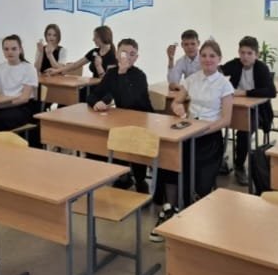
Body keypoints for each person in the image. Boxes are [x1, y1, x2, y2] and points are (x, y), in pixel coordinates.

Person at [150, 40, 233, 242]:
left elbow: (226, 120)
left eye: (212, 56)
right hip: (188, 133)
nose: (207, 59)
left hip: (209, 137)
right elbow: (177, 101)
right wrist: (177, 107)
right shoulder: (192, 79)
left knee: (200, 182)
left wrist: (202, 131)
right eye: (204, 55)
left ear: (219, 59)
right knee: (170, 163)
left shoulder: (224, 84)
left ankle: (194, 218)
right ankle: (170, 208)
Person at [87, 38, 153, 193]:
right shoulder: (111, 73)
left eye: (132, 54)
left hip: (142, 119)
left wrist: (122, 73)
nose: (127, 57)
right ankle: (123, 176)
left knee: (133, 139)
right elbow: (93, 95)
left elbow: (129, 101)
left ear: (136, 58)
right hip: (121, 119)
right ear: (117, 54)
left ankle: (140, 180)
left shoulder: (139, 76)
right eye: (124, 53)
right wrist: (97, 102)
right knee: (103, 137)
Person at [221, 36, 277, 185]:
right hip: (234, 108)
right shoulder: (235, 64)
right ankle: (219, 160)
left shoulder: (261, 68)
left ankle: (239, 165)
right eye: (242, 52)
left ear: (256, 55)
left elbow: (271, 92)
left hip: (257, 110)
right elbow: (219, 70)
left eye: (249, 53)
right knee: (211, 122)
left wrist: (244, 93)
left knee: (245, 130)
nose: (245, 56)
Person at [0, 34, 40, 147]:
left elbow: (24, 98)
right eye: (6, 49)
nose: (10, 52)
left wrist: (1, 105)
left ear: (20, 50)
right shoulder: (0, 67)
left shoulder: (29, 68)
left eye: (13, 49)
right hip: (4, 105)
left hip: (23, 107)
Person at [46, 25, 116, 80]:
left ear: (103, 37)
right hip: (93, 86)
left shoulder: (113, 56)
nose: (93, 39)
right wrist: (57, 71)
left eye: (95, 37)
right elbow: (75, 65)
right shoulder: (94, 52)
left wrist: (99, 66)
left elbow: (108, 81)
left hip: (105, 91)